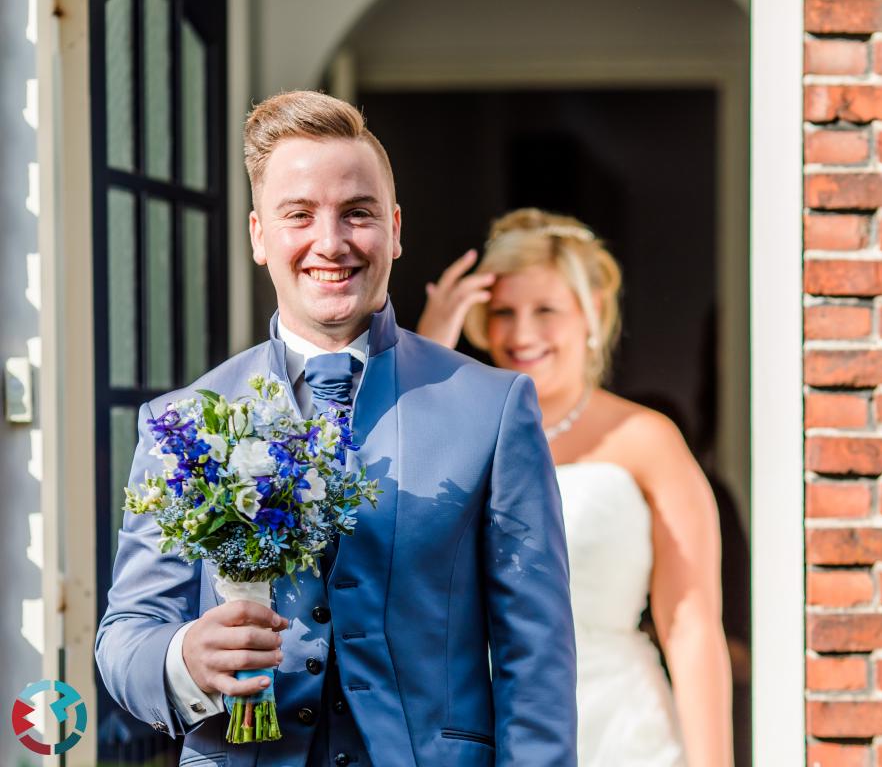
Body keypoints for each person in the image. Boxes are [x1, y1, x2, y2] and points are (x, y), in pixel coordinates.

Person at [95, 92, 577, 767]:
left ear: (396, 228)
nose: (331, 242)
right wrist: (183, 659)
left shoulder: (493, 408)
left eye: (358, 214)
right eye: (300, 216)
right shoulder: (182, 422)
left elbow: (538, 656)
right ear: (260, 235)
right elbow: (125, 637)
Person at [417, 209, 733, 766]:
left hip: (621, 733)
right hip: (486, 734)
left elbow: (690, 625)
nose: (521, 333)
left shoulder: (647, 439)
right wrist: (427, 354)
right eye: (503, 312)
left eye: (546, 310)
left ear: (591, 317)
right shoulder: (452, 432)